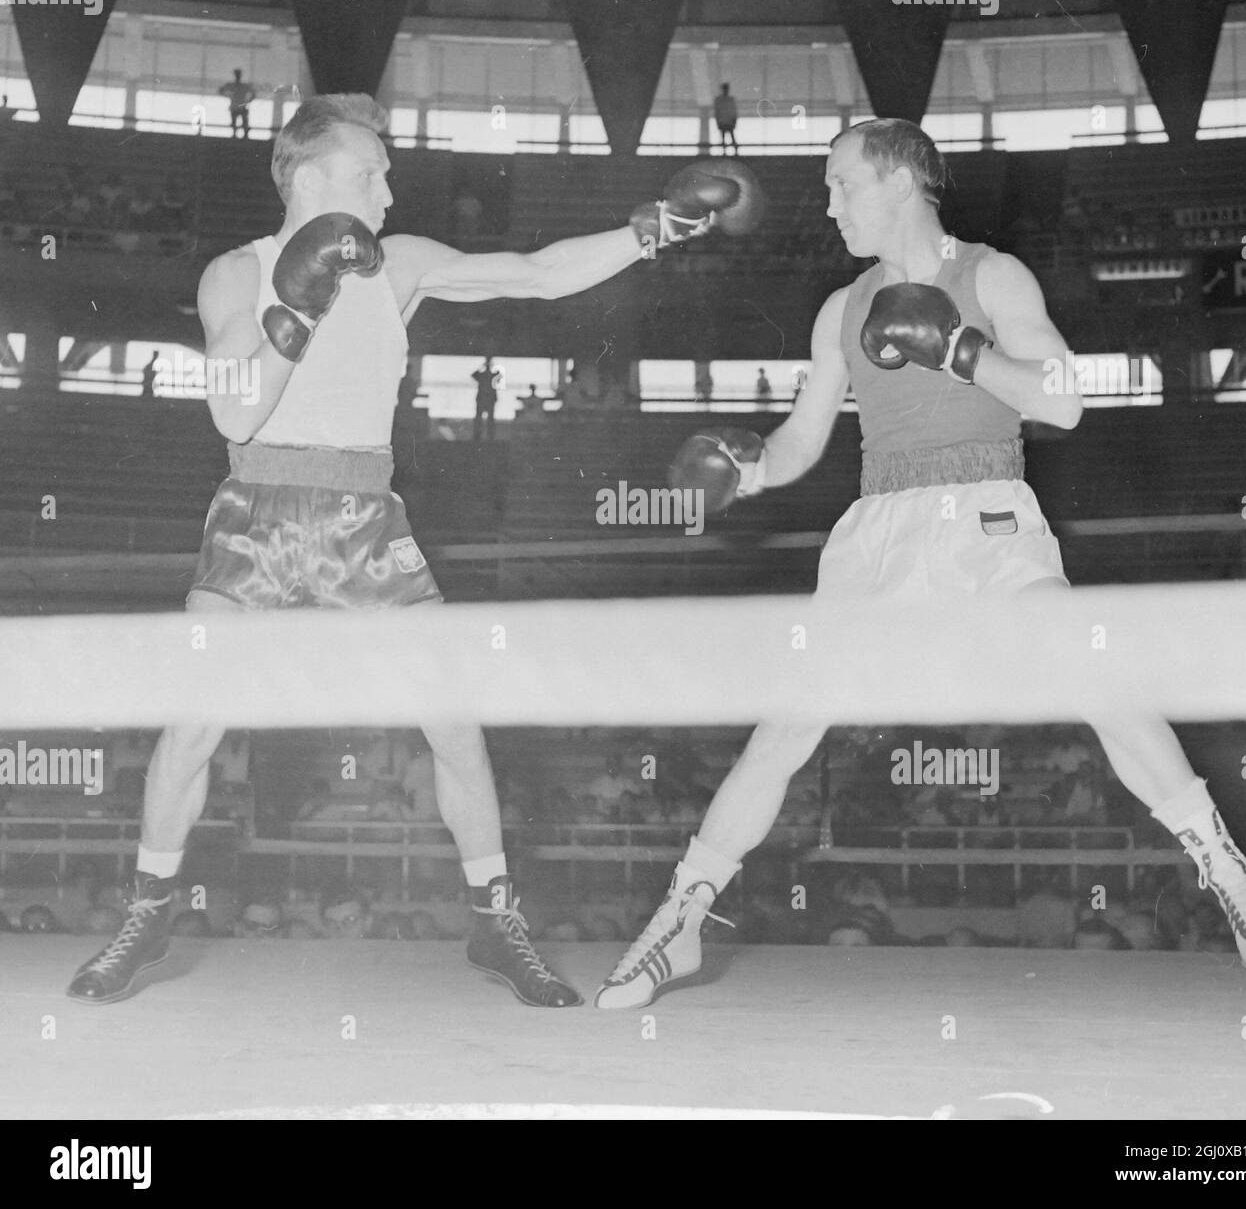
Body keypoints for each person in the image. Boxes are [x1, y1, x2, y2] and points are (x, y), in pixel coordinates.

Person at [63, 93, 762, 1008]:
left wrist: (657, 228)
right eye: (370, 172)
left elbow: (540, 274)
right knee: (192, 722)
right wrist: (297, 304)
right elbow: (235, 408)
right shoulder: (235, 274)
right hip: (257, 512)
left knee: (453, 721)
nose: (389, 191)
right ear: (308, 175)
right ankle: (148, 912)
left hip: (364, 514)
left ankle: (496, 919)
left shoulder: (403, 267)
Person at [594, 117, 1246, 1009]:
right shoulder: (839, 308)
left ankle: (1227, 874)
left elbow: (1066, 402)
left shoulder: (992, 275)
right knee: (786, 726)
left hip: (987, 517)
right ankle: (680, 922)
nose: (829, 202)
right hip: (878, 527)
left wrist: (962, 350)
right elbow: (808, 436)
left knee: (1092, 665)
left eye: (842, 182)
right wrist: (751, 468)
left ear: (897, 180)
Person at [218, 69, 255, 139]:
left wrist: (249, 100)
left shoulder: (239, 86)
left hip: (239, 107)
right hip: (237, 107)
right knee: (236, 123)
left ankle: (244, 135)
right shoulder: (235, 85)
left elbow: (253, 94)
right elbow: (221, 90)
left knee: (243, 123)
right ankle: (238, 135)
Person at [471, 357, 500, 441]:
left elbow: (499, 376)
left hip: (486, 400)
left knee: (486, 420)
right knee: (481, 420)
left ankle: (487, 436)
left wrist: (483, 366)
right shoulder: (488, 375)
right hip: (485, 399)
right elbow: (473, 375)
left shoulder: (487, 375)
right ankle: (481, 436)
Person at [713, 82, 739, 156]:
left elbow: (733, 111)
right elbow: (718, 112)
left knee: (728, 137)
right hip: (725, 121)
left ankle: (732, 152)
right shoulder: (723, 100)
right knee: (726, 137)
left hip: (727, 121)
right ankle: (728, 152)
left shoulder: (725, 100)